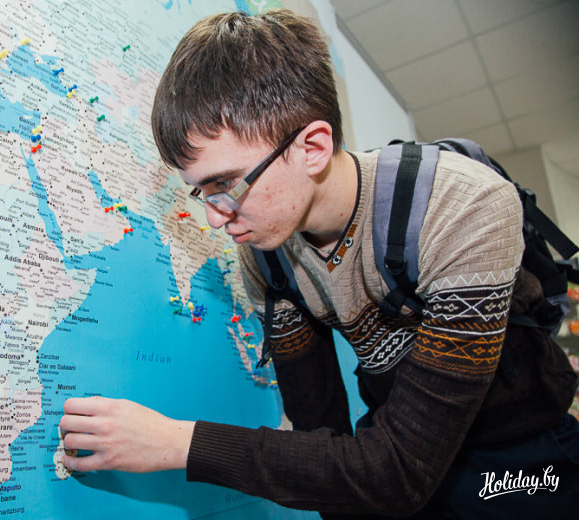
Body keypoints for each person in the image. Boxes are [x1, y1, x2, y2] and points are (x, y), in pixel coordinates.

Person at [60, 9, 578, 518]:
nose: (216, 218)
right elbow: (319, 430)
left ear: (312, 147)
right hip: (399, 456)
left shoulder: (463, 207)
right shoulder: (267, 256)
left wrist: (178, 444)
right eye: (203, 192)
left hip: (522, 461)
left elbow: (398, 473)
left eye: (226, 184)